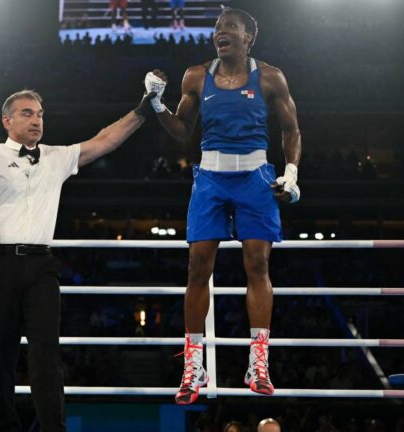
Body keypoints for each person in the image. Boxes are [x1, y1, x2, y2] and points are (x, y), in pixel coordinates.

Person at [0, 89, 153, 432]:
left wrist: (143, 110)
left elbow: (104, 141)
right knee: (0, 356)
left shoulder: (56, 157)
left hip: (41, 267)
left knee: (46, 354)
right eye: (27, 113)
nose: (36, 120)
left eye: (40, 114)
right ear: (7, 120)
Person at [142, 7, 301, 404]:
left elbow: (291, 129)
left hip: (256, 177)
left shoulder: (270, 77)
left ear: (249, 37)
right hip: (210, 177)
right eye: (217, 28)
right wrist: (157, 104)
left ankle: (258, 361)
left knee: (258, 265)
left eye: (230, 27)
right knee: (198, 266)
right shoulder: (196, 76)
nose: (220, 33)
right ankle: (193, 366)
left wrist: (292, 171)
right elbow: (182, 132)